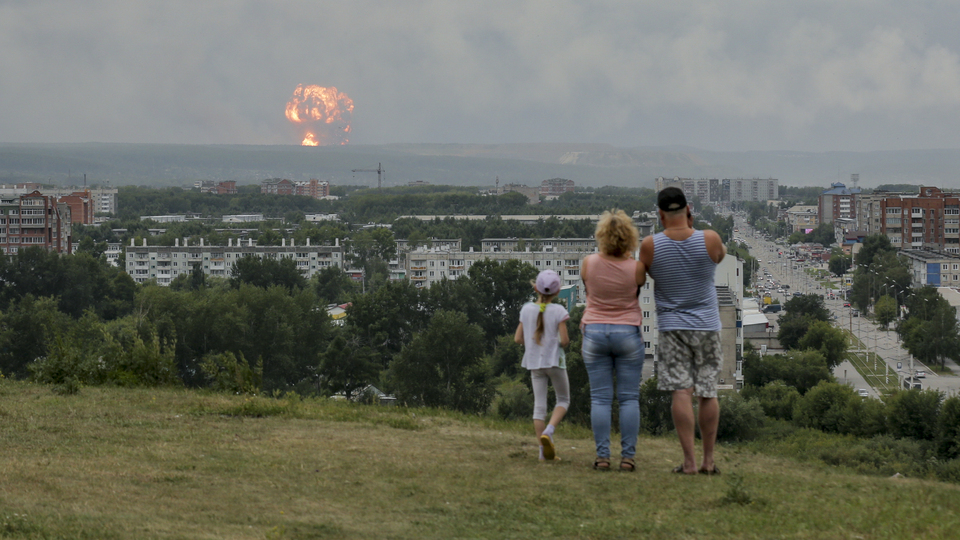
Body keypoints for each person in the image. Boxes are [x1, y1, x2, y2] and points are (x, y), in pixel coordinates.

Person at [640, 187, 726, 475]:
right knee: (707, 392)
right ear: (689, 209)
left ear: (660, 214)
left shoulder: (650, 245)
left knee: (681, 391)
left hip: (672, 327)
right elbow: (720, 256)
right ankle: (708, 461)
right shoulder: (710, 239)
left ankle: (688, 462)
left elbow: (647, 273)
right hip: (707, 326)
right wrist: (691, 227)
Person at [580, 210, 645, 472]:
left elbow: (588, 288)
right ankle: (627, 458)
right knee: (629, 399)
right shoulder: (637, 268)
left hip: (594, 333)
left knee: (600, 399)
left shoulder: (589, 263)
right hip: (627, 333)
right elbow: (636, 289)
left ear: (601, 237)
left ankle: (602, 457)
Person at [514, 270, 571, 461]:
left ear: (536, 288)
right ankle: (550, 430)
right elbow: (564, 341)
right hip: (555, 362)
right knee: (563, 400)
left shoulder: (526, 309)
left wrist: (533, 344)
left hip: (534, 364)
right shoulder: (559, 311)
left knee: (539, 407)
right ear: (557, 292)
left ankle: (542, 452)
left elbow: (518, 338)